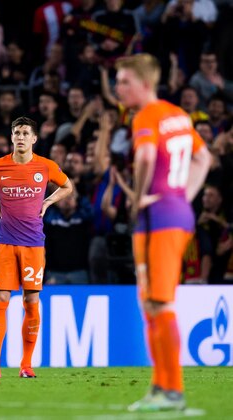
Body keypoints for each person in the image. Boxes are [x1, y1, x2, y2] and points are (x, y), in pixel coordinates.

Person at [114, 53, 211, 412]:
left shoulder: (148, 115)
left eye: (124, 81)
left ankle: (171, 389)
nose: (118, 88)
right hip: (175, 212)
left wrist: (138, 199)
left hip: (158, 216)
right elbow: (204, 159)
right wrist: (182, 194)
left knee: (159, 302)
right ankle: (162, 387)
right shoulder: (179, 115)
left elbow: (144, 159)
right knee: (151, 302)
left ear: (145, 83)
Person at [0, 116, 72, 379]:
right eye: (17, 132)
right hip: (4, 244)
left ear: (34, 139)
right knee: (0, 300)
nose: (21, 137)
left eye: (26, 133)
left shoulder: (46, 167)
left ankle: (26, 365)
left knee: (31, 301)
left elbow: (67, 186)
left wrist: (48, 202)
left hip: (33, 245)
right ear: (12, 137)